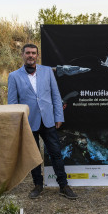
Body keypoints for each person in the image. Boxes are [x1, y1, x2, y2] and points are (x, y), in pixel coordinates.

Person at [7, 43, 78, 200]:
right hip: (28, 122)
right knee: (33, 156)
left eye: (33, 53)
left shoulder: (47, 71)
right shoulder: (14, 76)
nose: (30, 55)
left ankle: (63, 185)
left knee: (56, 154)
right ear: (22, 55)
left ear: (37, 55)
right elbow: (12, 103)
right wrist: (17, 124)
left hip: (48, 120)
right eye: (27, 53)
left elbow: (55, 95)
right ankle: (38, 185)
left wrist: (58, 116)